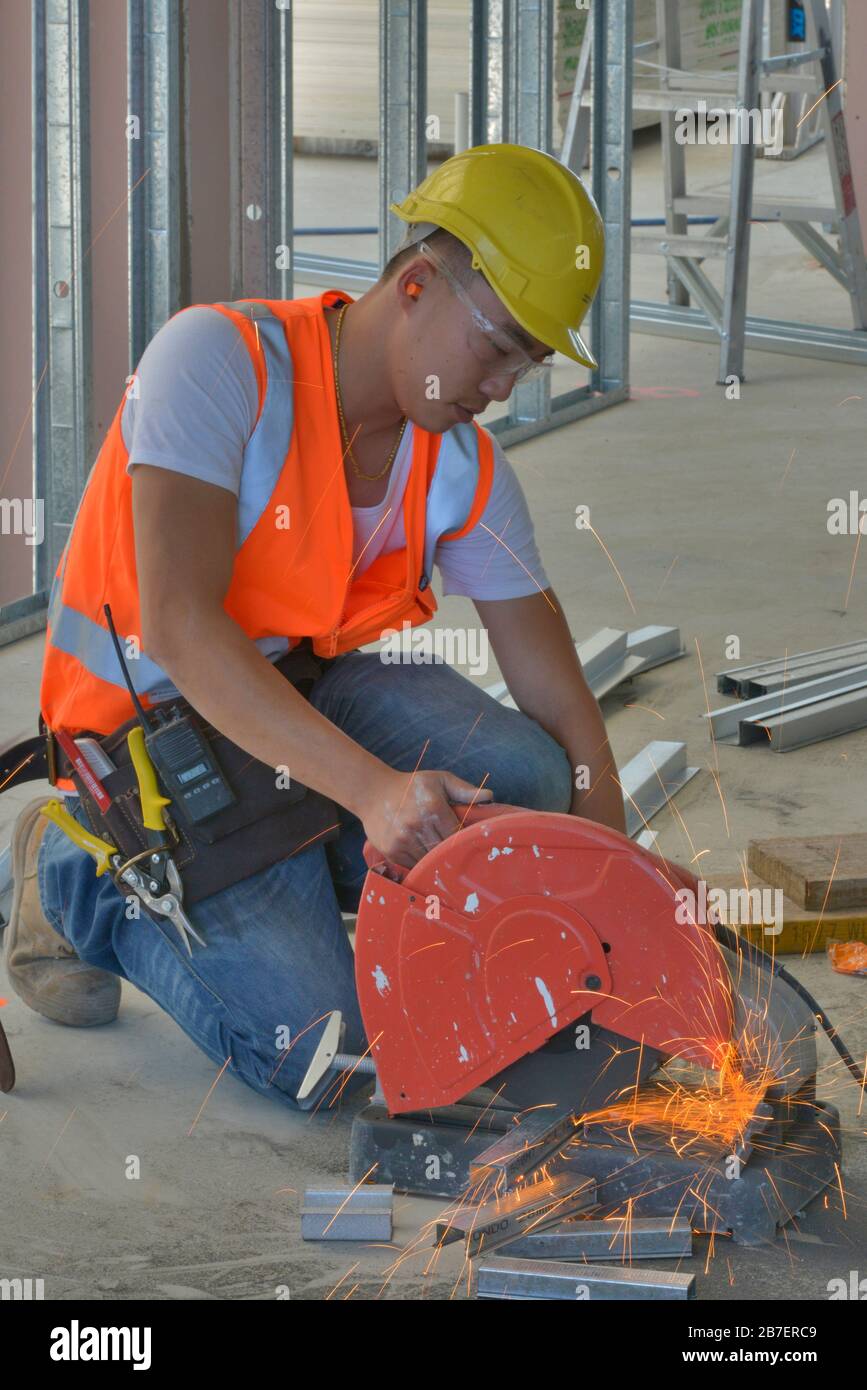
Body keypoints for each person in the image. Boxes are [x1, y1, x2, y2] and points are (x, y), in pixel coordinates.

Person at [6, 142, 626, 1109]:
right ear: (417, 285)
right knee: (328, 1061)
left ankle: (300, 878)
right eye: (499, 346)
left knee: (533, 777)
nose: (505, 385)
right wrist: (377, 794)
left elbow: (559, 700)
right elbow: (175, 624)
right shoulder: (222, 361)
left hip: (292, 720)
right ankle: (69, 874)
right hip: (143, 748)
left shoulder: (461, 465)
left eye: (529, 362)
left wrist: (613, 903)